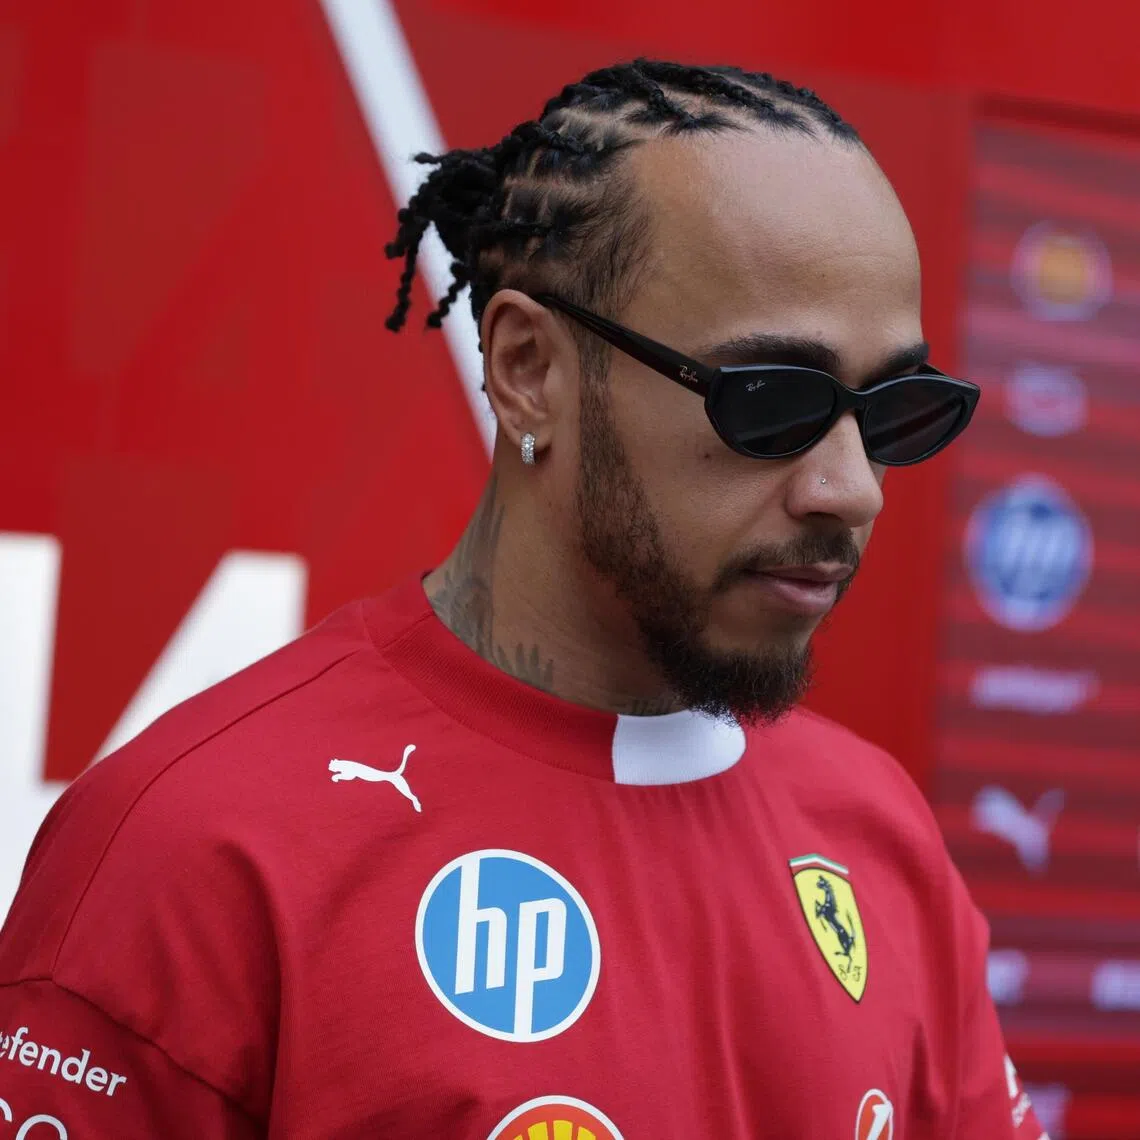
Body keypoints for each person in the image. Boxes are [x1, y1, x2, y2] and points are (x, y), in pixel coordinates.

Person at [0, 59, 1045, 1140]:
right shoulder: (199, 851)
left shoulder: (879, 836)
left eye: (896, 411)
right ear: (528, 367)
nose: (852, 488)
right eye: (769, 399)